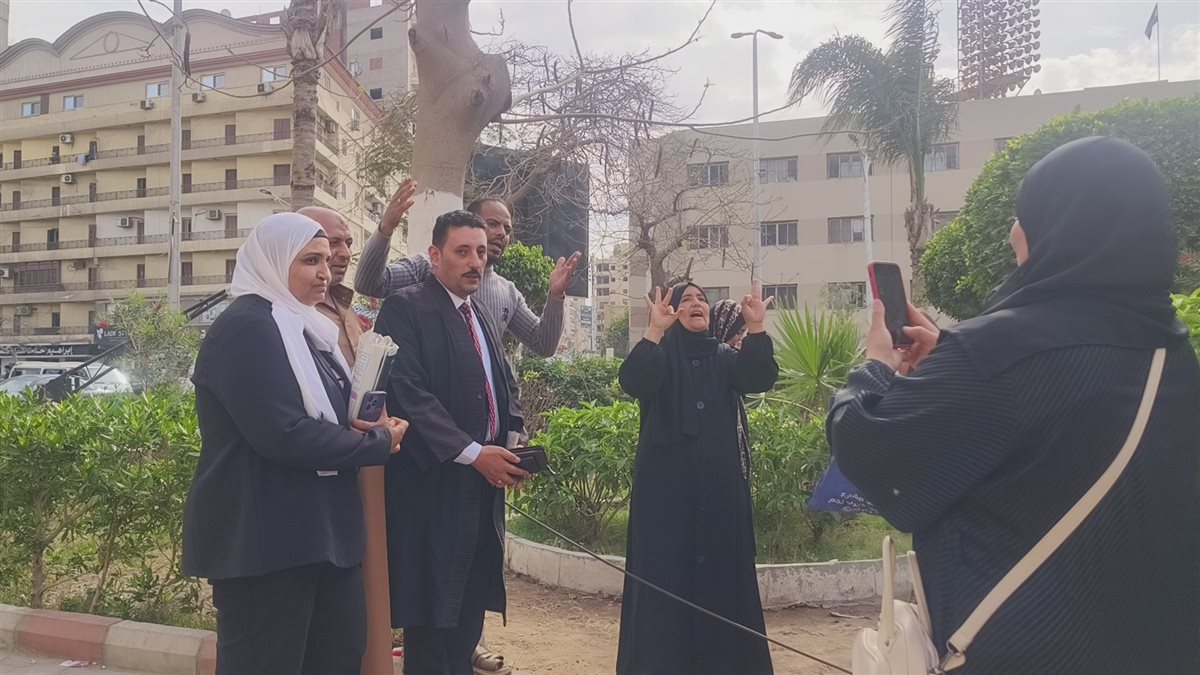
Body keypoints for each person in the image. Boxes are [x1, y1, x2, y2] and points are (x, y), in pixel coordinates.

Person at [827, 137, 1200, 673]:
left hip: (1031, 648)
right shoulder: (1172, 351)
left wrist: (877, 367)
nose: (1012, 235)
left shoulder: (998, 350)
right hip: (1158, 644)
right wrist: (952, 361)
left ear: (1054, 231)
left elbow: (871, 448)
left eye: (1023, 219)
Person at [182, 213, 409, 675]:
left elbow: (328, 416)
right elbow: (283, 433)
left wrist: (369, 425)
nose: (325, 272)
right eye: (310, 261)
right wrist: (375, 444)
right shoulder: (247, 327)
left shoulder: (306, 329)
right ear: (273, 260)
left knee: (336, 658)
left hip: (320, 535)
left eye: (327, 260)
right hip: (267, 542)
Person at [373, 210, 529, 675]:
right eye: (462, 251)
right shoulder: (405, 307)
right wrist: (472, 453)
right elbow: (407, 392)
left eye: (480, 252)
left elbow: (503, 384)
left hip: (481, 487)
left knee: (467, 613)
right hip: (433, 488)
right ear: (435, 255)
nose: (475, 262)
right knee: (433, 617)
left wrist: (513, 437)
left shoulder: (478, 312)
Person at [617, 281, 778, 675]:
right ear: (673, 312)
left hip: (720, 497)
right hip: (665, 502)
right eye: (685, 300)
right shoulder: (657, 356)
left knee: (722, 584)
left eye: (701, 299)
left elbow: (759, 377)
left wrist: (757, 327)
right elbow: (632, 381)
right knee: (664, 588)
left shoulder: (725, 358)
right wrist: (654, 331)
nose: (695, 304)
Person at [296, 205, 396, 675]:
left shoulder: (349, 307)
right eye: (325, 246)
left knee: (356, 617)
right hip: (315, 480)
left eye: (344, 244)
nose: (338, 254)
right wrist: (387, 228)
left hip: (361, 468)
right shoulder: (285, 315)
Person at [354, 180, 581, 358]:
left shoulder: (508, 293)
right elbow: (369, 284)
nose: (502, 233)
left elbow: (543, 345)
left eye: (507, 229)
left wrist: (556, 296)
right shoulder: (428, 266)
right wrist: (385, 229)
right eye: (492, 224)